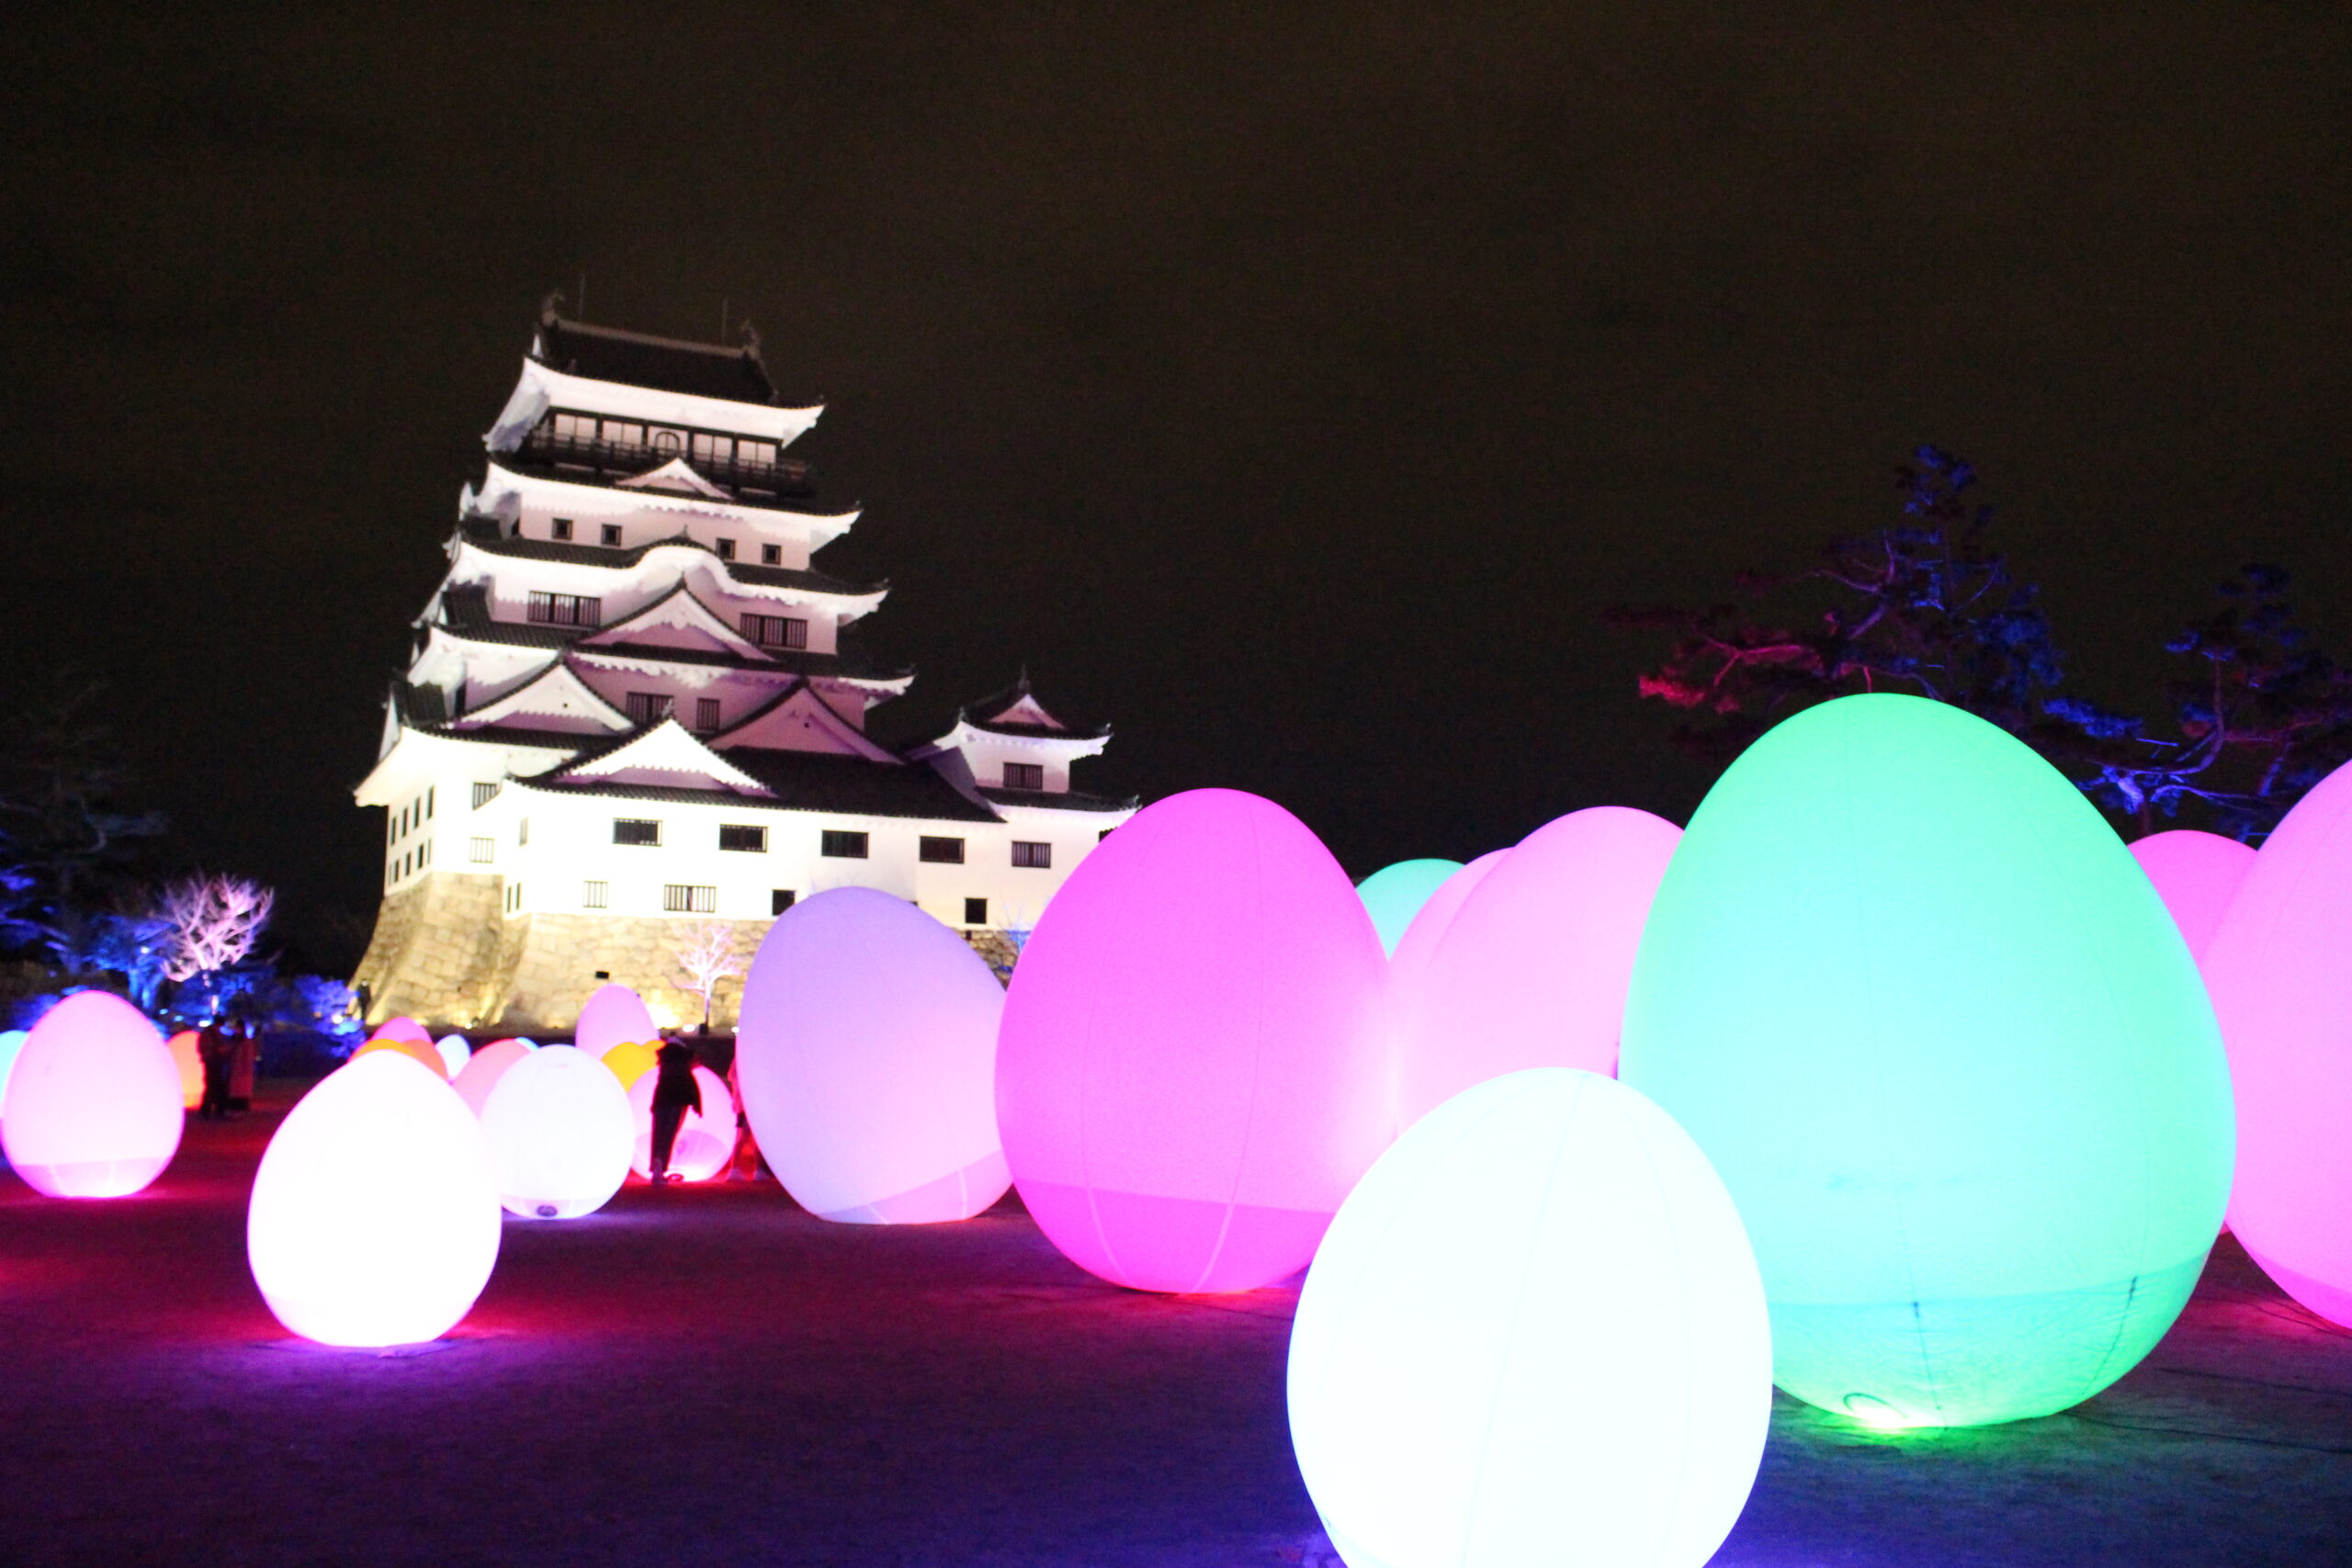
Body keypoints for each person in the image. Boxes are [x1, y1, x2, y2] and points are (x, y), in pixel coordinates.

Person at [648, 1036, 701, 1184]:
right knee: (669, 1135)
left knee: (658, 1135)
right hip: (677, 1102)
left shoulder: (665, 1061)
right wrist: (696, 1104)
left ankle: (656, 1166)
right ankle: (661, 1167)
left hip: (660, 1101)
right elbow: (690, 1084)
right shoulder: (684, 1060)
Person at [197, 1023, 234, 1121]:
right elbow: (210, 1049)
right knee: (214, 1087)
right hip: (213, 1064)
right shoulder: (211, 1035)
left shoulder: (209, 1034)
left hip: (213, 1064)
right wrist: (219, 1051)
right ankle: (212, 1111)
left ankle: (211, 1111)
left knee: (213, 1088)